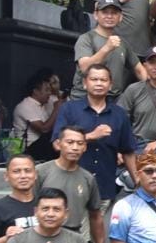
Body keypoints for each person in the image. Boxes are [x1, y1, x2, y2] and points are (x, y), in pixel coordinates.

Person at [55, 64, 141, 205]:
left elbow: (128, 151)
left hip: (104, 187)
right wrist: (90, 136)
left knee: (100, 220)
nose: (99, 83)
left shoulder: (119, 114)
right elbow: (57, 144)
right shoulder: (69, 109)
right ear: (85, 83)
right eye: (94, 79)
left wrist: (137, 180)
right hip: (70, 187)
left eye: (103, 80)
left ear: (110, 85)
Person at [34, 127, 106, 243]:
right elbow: (28, 206)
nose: (75, 148)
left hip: (73, 238)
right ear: (58, 144)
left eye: (80, 143)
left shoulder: (88, 178)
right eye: (70, 142)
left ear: (85, 147)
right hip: (42, 238)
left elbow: (95, 216)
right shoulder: (41, 172)